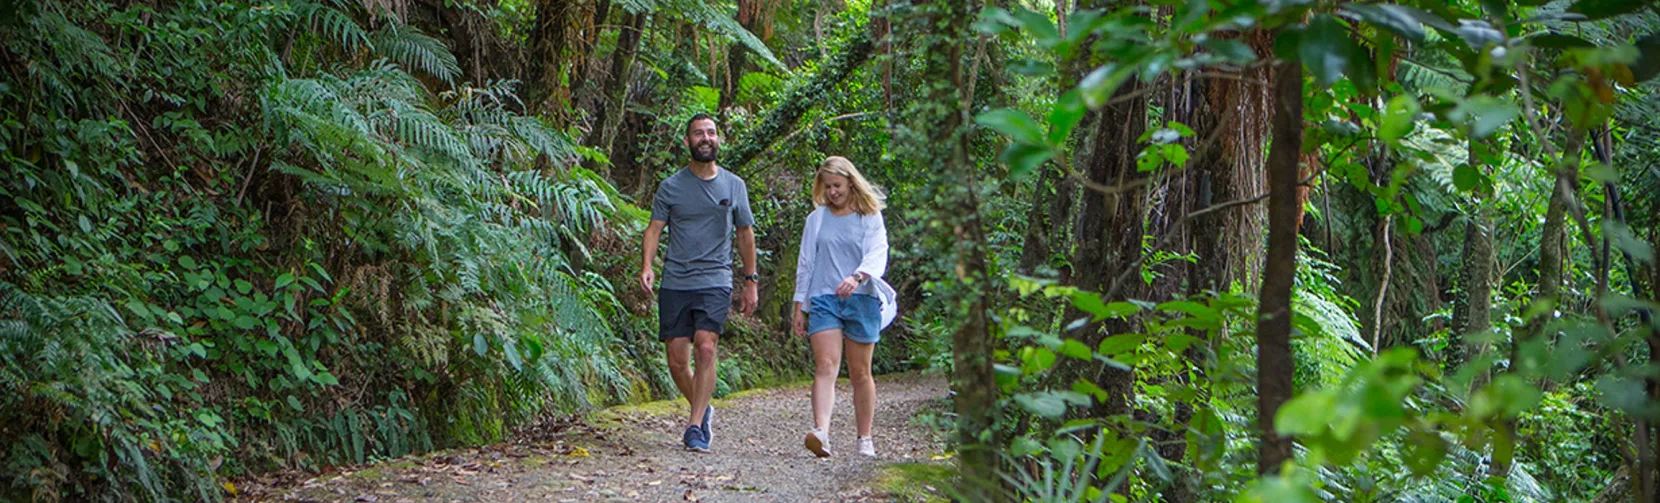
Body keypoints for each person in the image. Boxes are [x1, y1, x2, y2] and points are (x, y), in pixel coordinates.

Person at [639, 113, 759, 453]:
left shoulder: (734, 185)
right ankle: (703, 409)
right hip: (676, 279)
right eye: (698, 133)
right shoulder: (671, 186)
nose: (705, 138)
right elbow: (654, 229)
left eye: (711, 132)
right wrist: (647, 265)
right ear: (688, 141)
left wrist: (750, 280)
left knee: (706, 345)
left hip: (716, 279)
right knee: (677, 360)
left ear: (718, 139)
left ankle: (694, 428)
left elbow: (745, 234)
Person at [792, 156, 897, 459]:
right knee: (825, 366)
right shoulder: (816, 220)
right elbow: (806, 263)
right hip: (824, 298)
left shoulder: (870, 216)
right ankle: (821, 432)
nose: (832, 192)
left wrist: (858, 275)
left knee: (860, 371)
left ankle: (864, 437)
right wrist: (800, 305)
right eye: (827, 187)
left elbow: (878, 253)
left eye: (837, 185)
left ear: (851, 182)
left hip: (861, 297)